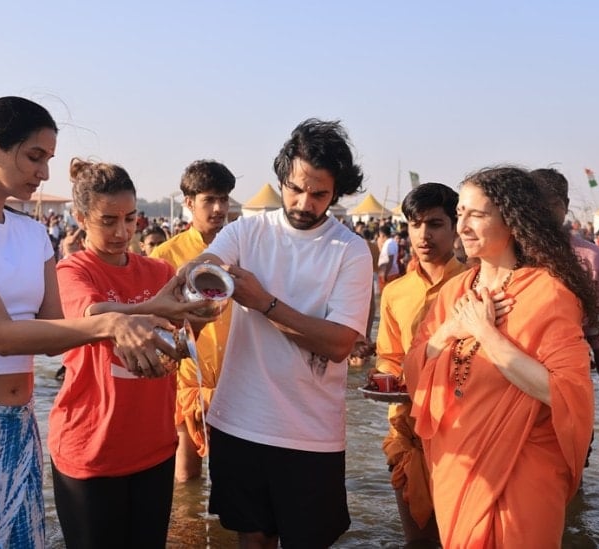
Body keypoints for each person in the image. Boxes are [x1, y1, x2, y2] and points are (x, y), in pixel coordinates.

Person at [0, 96, 181, 548]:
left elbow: (57, 332)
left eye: (48, 159)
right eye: (34, 157)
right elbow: (2, 335)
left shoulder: (32, 233)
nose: (44, 173)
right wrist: (113, 325)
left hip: (19, 422)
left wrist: (155, 310)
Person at [181, 119, 371, 548]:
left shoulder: (351, 251)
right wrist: (198, 278)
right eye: (294, 188)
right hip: (240, 419)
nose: (304, 202)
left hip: (310, 432)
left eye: (319, 194)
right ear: (282, 177)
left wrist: (262, 302)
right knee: (253, 537)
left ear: (336, 192)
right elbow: (203, 265)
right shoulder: (248, 231)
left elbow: (340, 343)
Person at [403, 166, 598, 547]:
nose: (463, 226)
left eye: (477, 214)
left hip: (523, 467)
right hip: (458, 461)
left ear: (512, 220)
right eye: (460, 213)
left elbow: (566, 391)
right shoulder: (455, 290)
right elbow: (414, 367)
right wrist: (449, 331)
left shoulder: (549, 293)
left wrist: (484, 333)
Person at [48, 158, 209, 548]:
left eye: (131, 218)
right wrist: (159, 307)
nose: (123, 232)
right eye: (108, 220)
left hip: (153, 447)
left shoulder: (156, 271)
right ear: (81, 216)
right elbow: (94, 315)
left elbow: (182, 339)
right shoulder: (73, 271)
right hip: (91, 449)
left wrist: (201, 315)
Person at [372, 183, 467, 546]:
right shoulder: (396, 292)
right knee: (419, 540)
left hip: (463, 426)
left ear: (456, 226)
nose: (424, 235)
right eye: (415, 224)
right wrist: (384, 376)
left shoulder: (475, 283)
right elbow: (390, 356)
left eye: (435, 224)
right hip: (407, 426)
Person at [150, 159, 236, 482]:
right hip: (187, 379)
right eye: (209, 200)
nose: (218, 208)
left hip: (235, 378)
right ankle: (185, 535)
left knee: (233, 479)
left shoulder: (240, 249)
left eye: (224, 199)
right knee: (186, 478)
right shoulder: (165, 256)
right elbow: (155, 321)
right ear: (189, 203)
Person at [531, 168, 599, 440]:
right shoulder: (508, 253)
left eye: (551, 205)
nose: (542, 213)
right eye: (534, 205)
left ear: (565, 207)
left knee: (570, 463)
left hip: (569, 380)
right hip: (511, 378)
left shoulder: (588, 257)